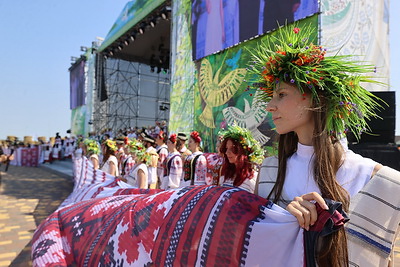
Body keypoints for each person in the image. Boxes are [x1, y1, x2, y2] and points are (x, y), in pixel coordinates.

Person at [250, 23, 398, 266]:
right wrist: (285, 222)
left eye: (282, 94)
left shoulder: (379, 180)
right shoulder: (268, 172)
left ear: (315, 98)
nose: (270, 106)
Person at [218, 125, 264, 193]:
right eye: (226, 149)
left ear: (242, 151)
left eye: (232, 149)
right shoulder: (225, 175)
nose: (227, 152)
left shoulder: (253, 179)